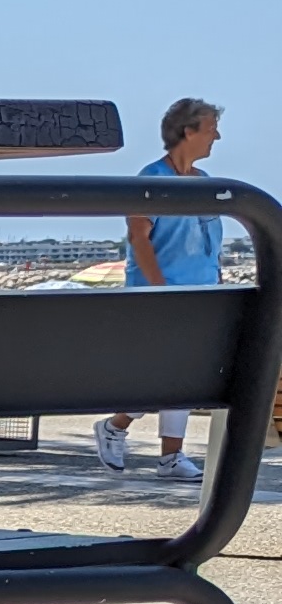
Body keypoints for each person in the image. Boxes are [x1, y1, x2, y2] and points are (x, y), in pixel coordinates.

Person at [96, 96, 224, 484]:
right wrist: (160, 291)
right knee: (164, 375)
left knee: (184, 376)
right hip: (161, 296)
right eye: (211, 128)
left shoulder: (204, 182)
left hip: (201, 294)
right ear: (188, 131)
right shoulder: (151, 179)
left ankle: (169, 455)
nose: (217, 137)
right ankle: (116, 427)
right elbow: (139, 237)